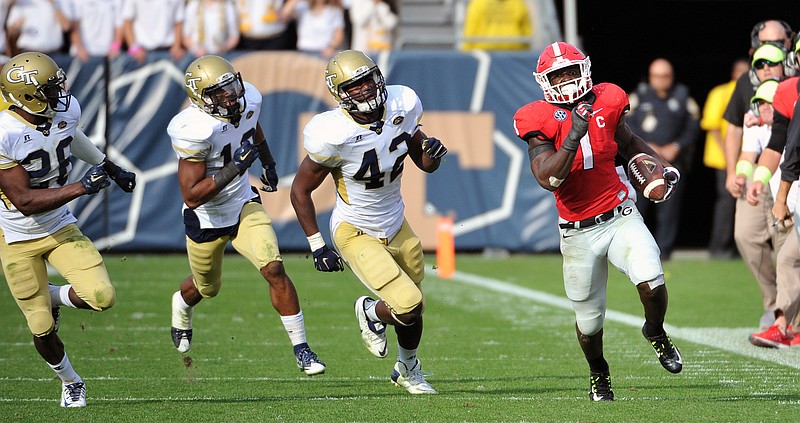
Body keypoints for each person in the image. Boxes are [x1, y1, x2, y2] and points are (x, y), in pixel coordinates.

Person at [513, 42, 683, 401]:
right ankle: (599, 372)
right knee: (590, 322)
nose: (565, 80)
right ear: (544, 81)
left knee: (650, 276)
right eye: (556, 75)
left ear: (585, 70)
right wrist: (574, 132)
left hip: (619, 213)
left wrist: (659, 166)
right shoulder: (536, 117)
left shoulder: (609, 97)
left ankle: (655, 330)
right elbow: (548, 178)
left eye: (569, 72)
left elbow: (628, 140)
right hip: (577, 230)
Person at [290, 49, 448, 394]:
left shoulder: (403, 103)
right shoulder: (332, 132)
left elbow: (423, 160)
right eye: (355, 86)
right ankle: (371, 312)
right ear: (340, 93)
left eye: (368, 80)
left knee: (413, 309)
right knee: (407, 303)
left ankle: (408, 368)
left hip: (396, 222)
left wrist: (430, 152)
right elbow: (300, 190)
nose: (365, 89)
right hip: (355, 229)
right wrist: (317, 245)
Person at [167, 55, 326, 376]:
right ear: (201, 99)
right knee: (206, 288)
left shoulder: (248, 99)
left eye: (231, 86)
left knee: (274, 268)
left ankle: (302, 350)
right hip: (207, 219)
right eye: (219, 92)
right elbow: (192, 196)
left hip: (243, 205)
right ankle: (181, 305)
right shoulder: (194, 129)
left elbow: (253, 128)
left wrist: (267, 164)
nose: (230, 96)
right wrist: (236, 167)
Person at [0, 51, 136, 407]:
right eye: (49, 87)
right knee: (41, 327)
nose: (60, 91)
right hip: (16, 235)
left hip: (59, 225)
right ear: (26, 97)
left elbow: (70, 134)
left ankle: (56, 295)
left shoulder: (63, 108)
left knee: (102, 298)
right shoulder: (4, 132)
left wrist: (109, 166)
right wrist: (82, 187)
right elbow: (24, 200)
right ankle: (70, 380)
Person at [728, 43, 789, 330]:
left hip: (790, 184)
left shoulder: (793, 99)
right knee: (747, 236)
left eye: (771, 63)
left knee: (788, 252)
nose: (765, 68)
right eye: (760, 64)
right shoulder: (754, 113)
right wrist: (742, 176)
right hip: (773, 182)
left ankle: (787, 317)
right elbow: (753, 152)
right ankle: (779, 309)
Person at [742, 77, 800, 348]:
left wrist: (781, 198)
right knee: (789, 258)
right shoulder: (787, 96)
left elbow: (792, 154)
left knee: (789, 258)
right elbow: (777, 147)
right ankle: (781, 326)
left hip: (790, 193)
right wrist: (757, 181)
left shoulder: (791, 95)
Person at [626, 58, 700, 260]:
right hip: (643, 163)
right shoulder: (640, 95)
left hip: (671, 162)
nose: (661, 80)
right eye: (657, 76)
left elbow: (693, 126)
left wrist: (676, 146)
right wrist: (648, 147)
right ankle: (636, 250)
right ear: (650, 77)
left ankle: (663, 251)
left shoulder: (682, 96)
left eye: (665, 76)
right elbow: (626, 124)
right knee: (637, 207)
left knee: (668, 211)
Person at [701, 58, 750, 259]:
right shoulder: (720, 93)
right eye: (742, 72)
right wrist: (730, 154)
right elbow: (712, 125)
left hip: (748, 159)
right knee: (727, 202)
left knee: (746, 203)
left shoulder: (754, 92)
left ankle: (740, 248)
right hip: (724, 159)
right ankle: (719, 246)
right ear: (734, 73)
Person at [121, 0, 186, 63]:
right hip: (142, 54)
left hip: (169, 52)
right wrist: (134, 48)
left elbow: (178, 22)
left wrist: (177, 46)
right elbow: (127, 22)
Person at [6, 0, 71, 57]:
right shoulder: (22, 2)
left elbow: (66, 26)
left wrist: (54, 4)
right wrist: (16, 27)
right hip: (28, 53)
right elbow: (10, 31)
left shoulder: (59, 2)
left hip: (54, 54)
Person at [461, 0, 532, 51]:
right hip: (487, 54)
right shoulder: (518, 3)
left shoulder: (478, 3)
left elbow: (470, 33)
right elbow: (526, 32)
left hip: (512, 53)